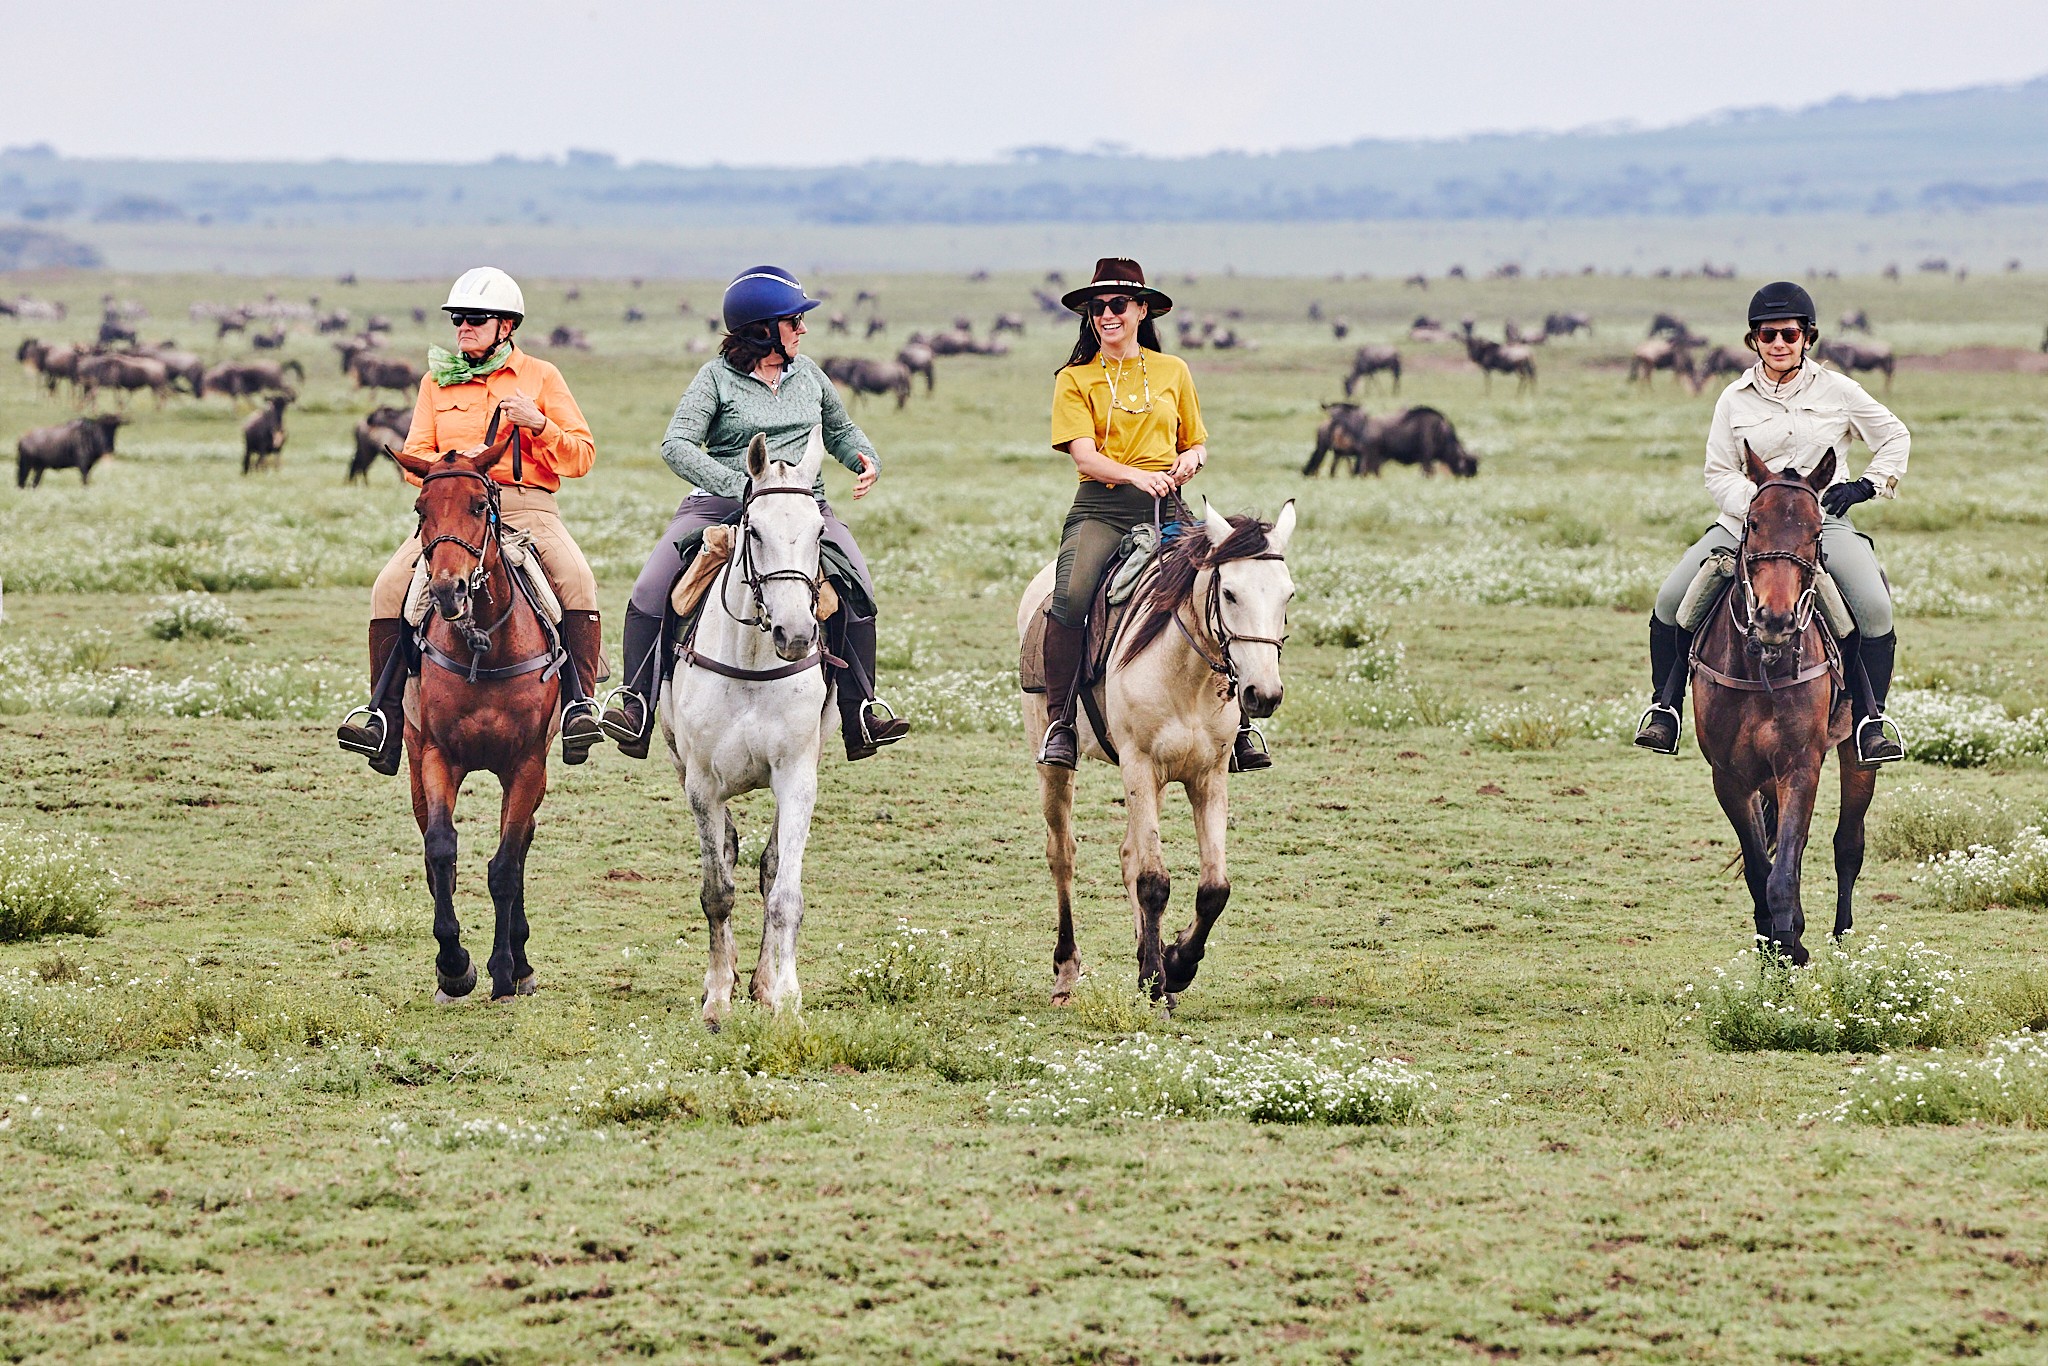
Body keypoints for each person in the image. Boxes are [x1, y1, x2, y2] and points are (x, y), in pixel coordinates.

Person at [598, 265, 910, 761]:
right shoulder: (715, 379)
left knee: (859, 589)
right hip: (721, 503)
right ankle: (636, 701)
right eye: (795, 321)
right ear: (763, 330)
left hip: (804, 506)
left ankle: (860, 711)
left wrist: (865, 457)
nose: (804, 329)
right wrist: (740, 485)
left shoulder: (810, 374)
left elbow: (841, 429)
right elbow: (676, 444)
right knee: (649, 588)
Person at [337, 267, 607, 772]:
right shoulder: (435, 382)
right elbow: (416, 453)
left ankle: (577, 706)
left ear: (507, 325)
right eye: (458, 318)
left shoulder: (542, 377)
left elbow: (582, 456)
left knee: (577, 581)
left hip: (527, 504)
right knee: (388, 587)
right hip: (455, 510)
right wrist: (453, 474)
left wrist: (539, 424)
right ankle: (384, 719)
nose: (463, 327)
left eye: (475, 319)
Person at [1634, 280, 1910, 765]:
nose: (1778, 343)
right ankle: (1666, 708)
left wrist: (1866, 486)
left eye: (1788, 333)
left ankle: (1871, 719)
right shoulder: (1733, 399)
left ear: (1808, 337)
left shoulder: (1840, 390)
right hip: (1745, 525)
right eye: (1767, 335)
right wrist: (1763, 505)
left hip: (1821, 525)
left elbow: (1894, 436)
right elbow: (1718, 473)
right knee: (1671, 600)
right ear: (1753, 340)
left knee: (1873, 606)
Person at [1036, 257, 1266, 773]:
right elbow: (1084, 455)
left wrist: (1190, 461)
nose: (1106, 316)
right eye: (1097, 308)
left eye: (1118, 305)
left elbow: (1197, 442)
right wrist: (1137, 475)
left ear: (1142, 309)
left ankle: (1240, 724)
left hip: (1169, 506)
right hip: (1102, 508)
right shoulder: (1075, 378)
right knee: (1070, 599)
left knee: (1220, 586)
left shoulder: (1173, 370)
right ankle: (1061, 724)